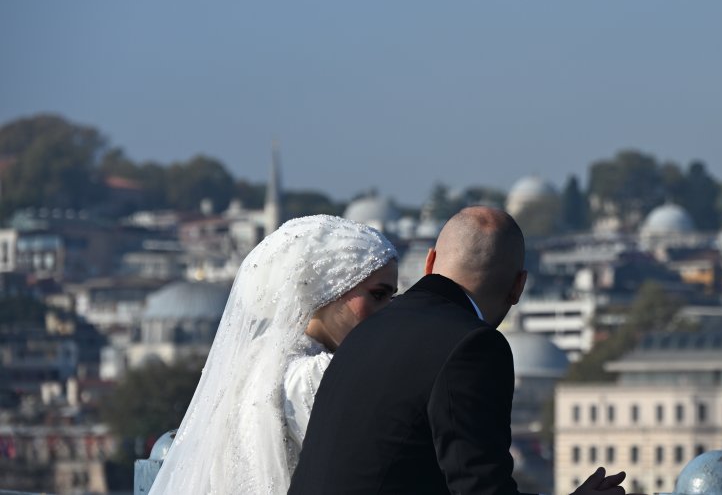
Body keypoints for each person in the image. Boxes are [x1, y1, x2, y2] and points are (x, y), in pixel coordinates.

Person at [291, 206, 629, 495]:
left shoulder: (367, 330)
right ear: (518, 286)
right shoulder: (473, 346)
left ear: (430, 261)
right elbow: (479, 486)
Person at [150, 215, 399, 495]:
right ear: (329, 290)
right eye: (378, 295)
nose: (389, 310)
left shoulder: (254, 358)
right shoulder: (316, 373)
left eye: (392, 297)